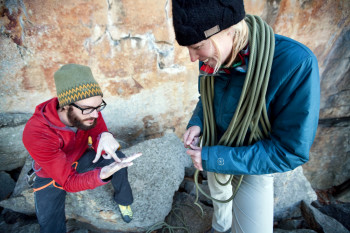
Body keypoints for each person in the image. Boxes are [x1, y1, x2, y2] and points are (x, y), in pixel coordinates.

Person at [172, 0, 320, 233]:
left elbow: (290, 151)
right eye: (188, 49)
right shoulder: (214, 55)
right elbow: (206, 98)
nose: (193, 58)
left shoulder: (295, 63)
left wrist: (216, 158)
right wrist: (197, 122)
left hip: (254, 159)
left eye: (197, 46)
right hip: (213, 146)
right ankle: (220, 228)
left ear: (228, 31)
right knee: (220, 208)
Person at [22, 64, 142, 233]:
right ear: (65, 106)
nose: (95, 114)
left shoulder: (87, 109)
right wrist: (101, 175)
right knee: (51, 227)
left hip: (81, 157)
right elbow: (69, 182)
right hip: (51, 174)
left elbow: (98, 126)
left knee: (118, 160)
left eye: (98, 107)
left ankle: (124, 201)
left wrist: (105, 134)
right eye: (88, 110)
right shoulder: (37, 133)